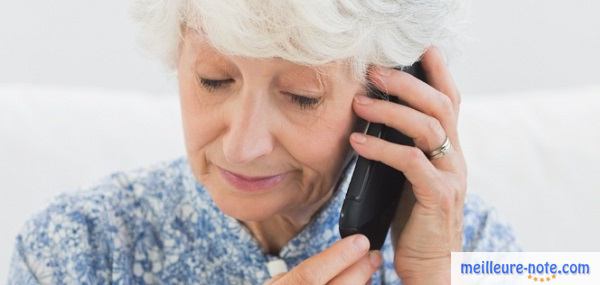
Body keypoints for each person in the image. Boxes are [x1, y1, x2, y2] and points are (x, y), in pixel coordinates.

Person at [7, 0, 520, 284]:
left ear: (399, 97)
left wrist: (439, 279)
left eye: (301, 96)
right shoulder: (75, 248)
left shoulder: (475, 241)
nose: (241, 147)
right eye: (213, 80)